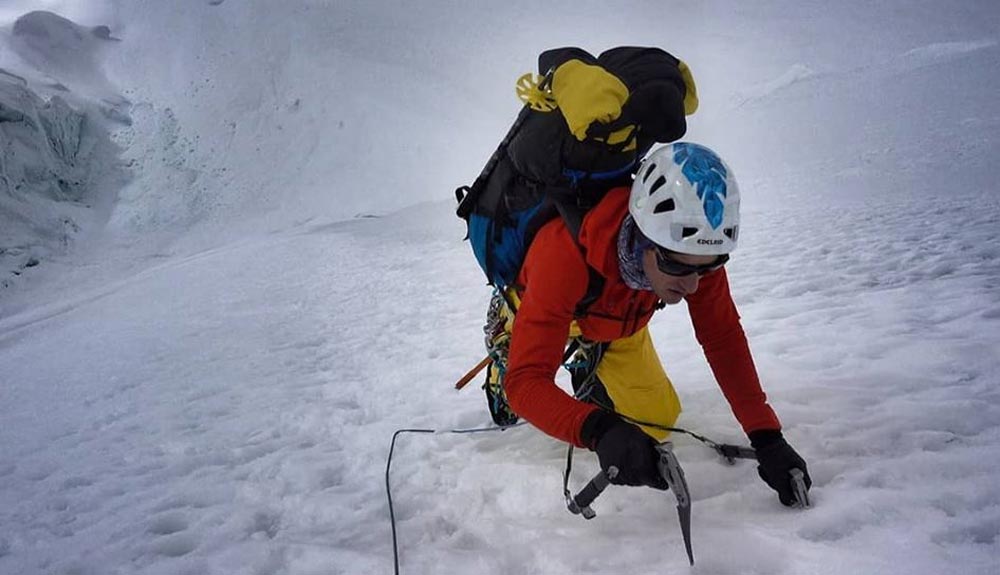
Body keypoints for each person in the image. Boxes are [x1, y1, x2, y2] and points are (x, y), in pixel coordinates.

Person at [493, 141, 811, 505]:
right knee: (523, 373)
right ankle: (504, 335)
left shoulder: (691, 251)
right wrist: (598, 430)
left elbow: (722, 337)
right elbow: (526, 382)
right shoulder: (562, 254)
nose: (694, 285)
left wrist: (766, 435)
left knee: (656, 419)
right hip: (547, 303)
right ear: (643, 239)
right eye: (677, 266)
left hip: (617, 324)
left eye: (708, 267)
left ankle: (592, 372)